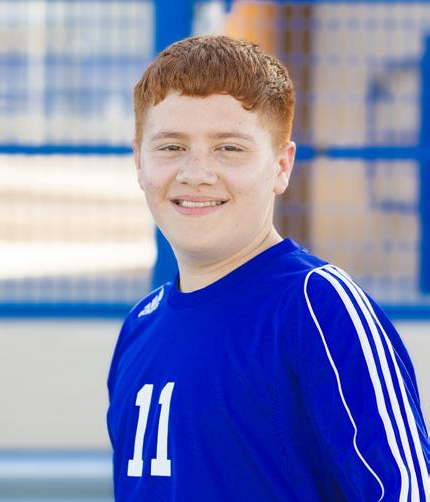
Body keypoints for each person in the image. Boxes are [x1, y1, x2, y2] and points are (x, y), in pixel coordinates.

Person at [107, 35, 429, 501]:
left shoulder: (317, 305)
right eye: (172, 147)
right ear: (139, 161)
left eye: (229, 148)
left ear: (281, 166)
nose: (196, 173)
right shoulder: (140, 325)